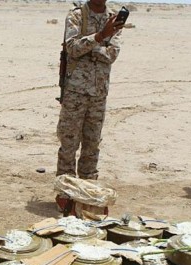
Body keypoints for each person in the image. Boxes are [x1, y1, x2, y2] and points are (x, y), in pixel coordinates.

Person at [55, 0, 124, 208]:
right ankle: (66, 192)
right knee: (69, 142)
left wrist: (91, 46)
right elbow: (72, 49)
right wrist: (100, 37)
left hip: (99, 92)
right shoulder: (77, 16)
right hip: (75, 91)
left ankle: (87, 192)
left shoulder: (114, 19)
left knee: (92, 144)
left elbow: (112, 54)